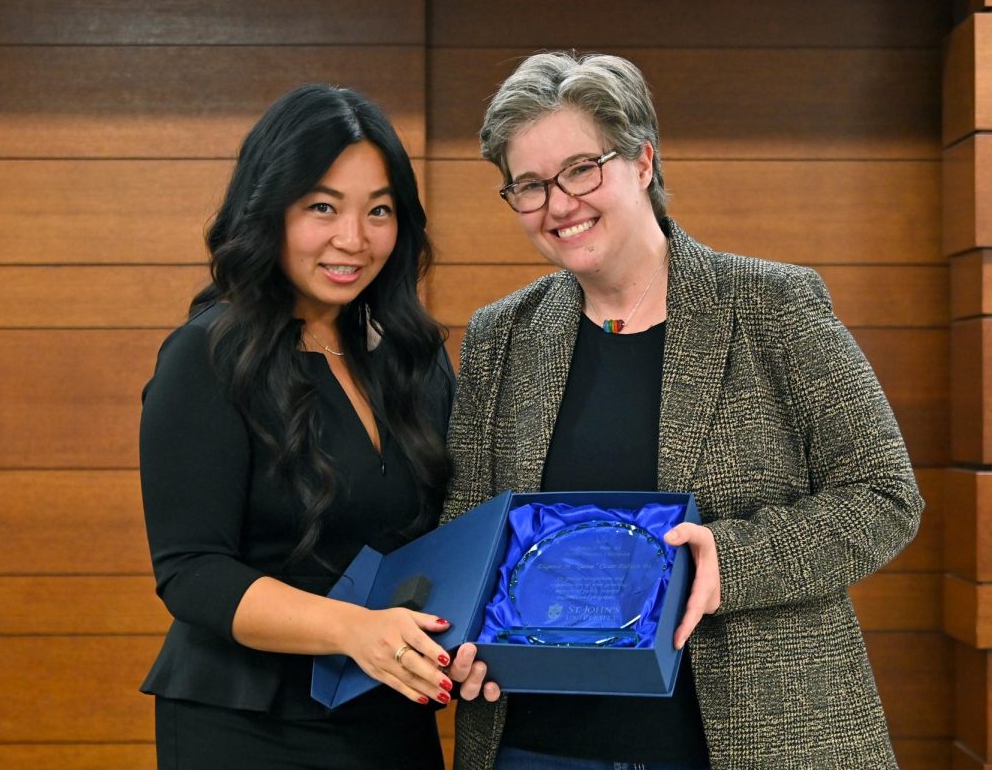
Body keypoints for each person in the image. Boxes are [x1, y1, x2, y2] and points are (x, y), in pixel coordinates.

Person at [441, 52, 925, 769]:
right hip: (540, 743)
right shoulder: (500, 335)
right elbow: (467, 522)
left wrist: (729, 559)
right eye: (530, 186)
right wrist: (461, 635)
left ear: (641, 160)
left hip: (756, 739)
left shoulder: (773, 306)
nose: (559, 204)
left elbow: (886, 497)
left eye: (581, 169)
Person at [139, 84, 470, 769]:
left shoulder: (412, 354)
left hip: (387, 710)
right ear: (269, 211)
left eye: (379, 211)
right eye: (322, 207)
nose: (353, 239)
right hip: (246, 723)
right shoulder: (208, 354)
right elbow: (192, 570)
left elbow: (457, 527)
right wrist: (355, 631)